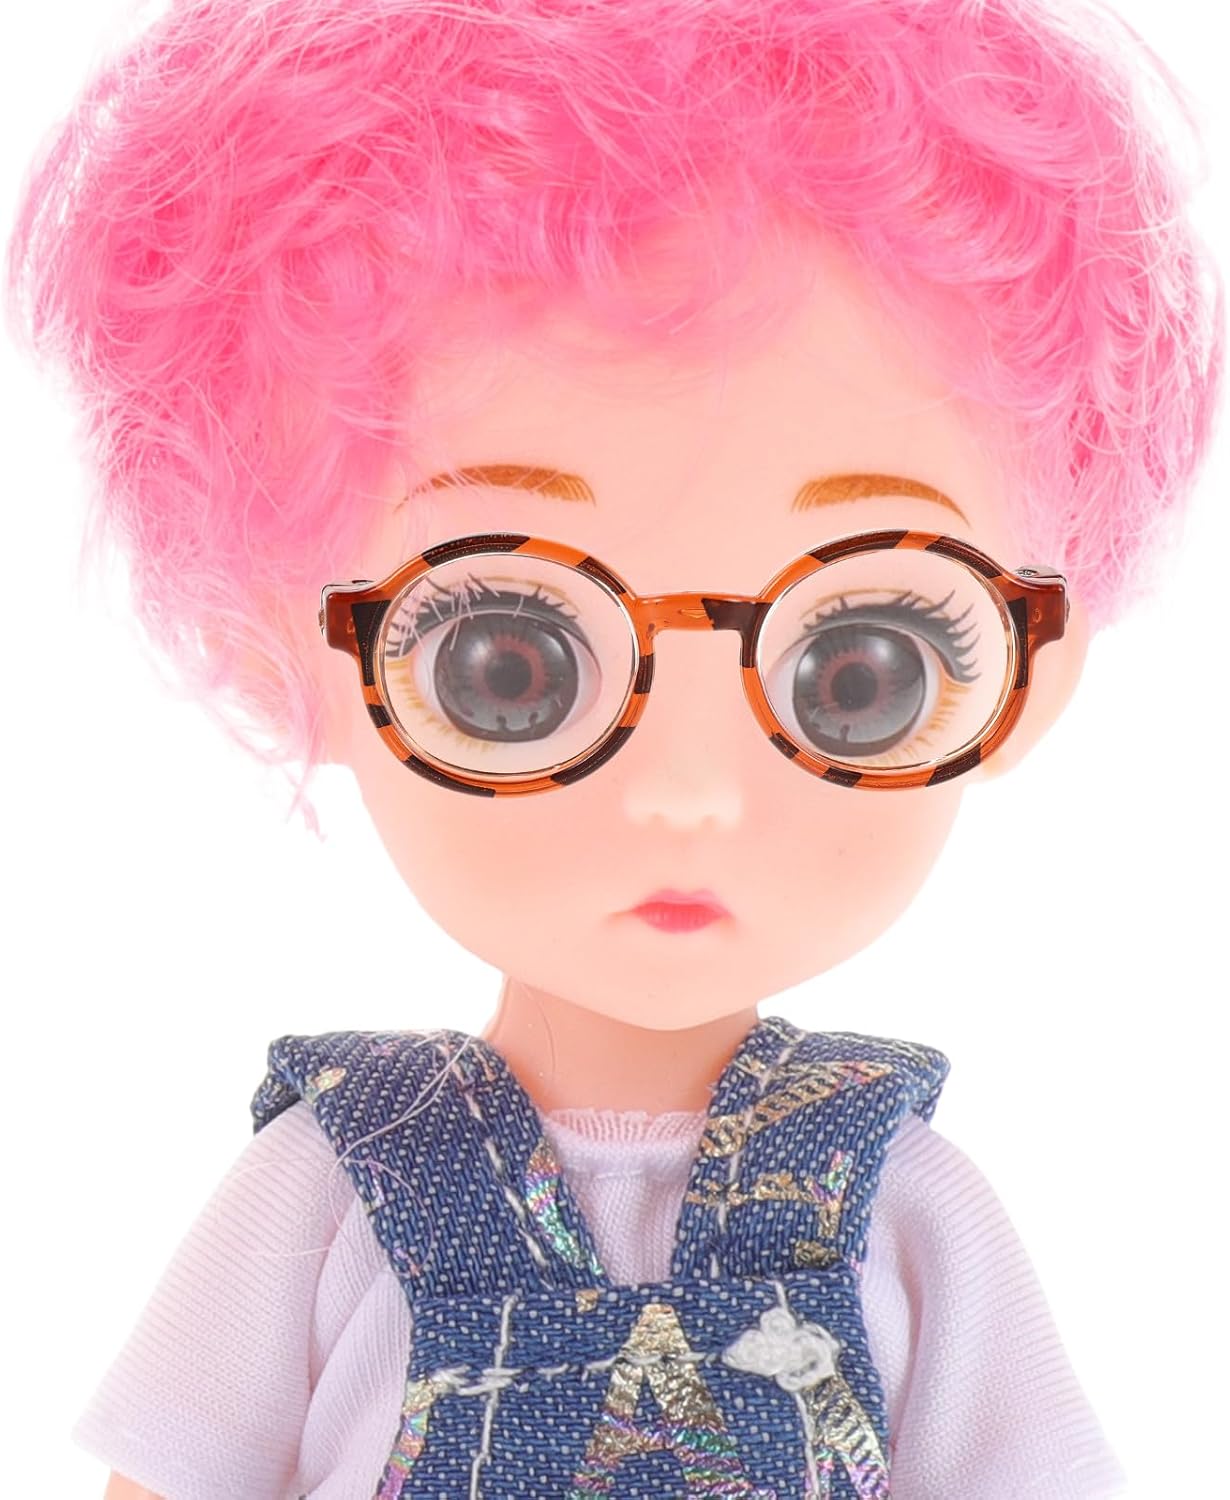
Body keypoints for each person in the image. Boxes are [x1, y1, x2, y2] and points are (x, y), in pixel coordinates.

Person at [5, 1, 1220, 1496]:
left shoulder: (900, 1207)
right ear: (280, 654)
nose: (688, 796)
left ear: (1030, 680)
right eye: (508, 663)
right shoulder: (332, 1191)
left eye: (858, 668)